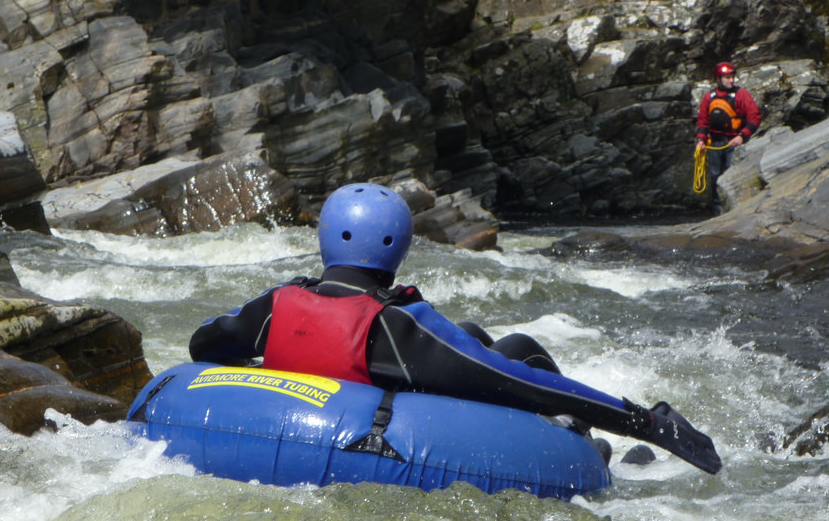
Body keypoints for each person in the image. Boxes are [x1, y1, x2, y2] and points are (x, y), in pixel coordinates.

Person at [189, 183, 721, 474]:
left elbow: (204, 344)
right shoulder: (399, 325)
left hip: (288, 427)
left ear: (327, 240)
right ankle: (586, 453)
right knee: (519, 349)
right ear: (399, 247)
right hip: (398, 428)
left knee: (466, 329)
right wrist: (642, 422)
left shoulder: (276, 306)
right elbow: (523, 383)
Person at [695, 61, 761, 214]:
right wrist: (701, 140)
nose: (731, 80)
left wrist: (742, 136)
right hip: (715, 144)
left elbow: (754, 118)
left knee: (732, 178)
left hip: (734, 144)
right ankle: (718, 213)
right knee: (715, 178)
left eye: (732, 77)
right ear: (718, 79)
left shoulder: (741, 94)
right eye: (727, 78)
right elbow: (703, 121)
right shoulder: (709, 97)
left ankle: (737, 212)